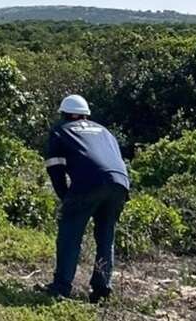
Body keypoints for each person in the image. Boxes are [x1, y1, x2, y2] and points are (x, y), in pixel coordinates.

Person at [40, 94, 130, 303]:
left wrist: (66, 197)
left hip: (89, 183)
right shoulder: (105, 132)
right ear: (86, 115)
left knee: (70, 234)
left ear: (64, 114)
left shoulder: (61, 130)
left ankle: (61, 287)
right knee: (106, 235)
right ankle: (101, 291)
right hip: (120, 183)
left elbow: (55, 169)